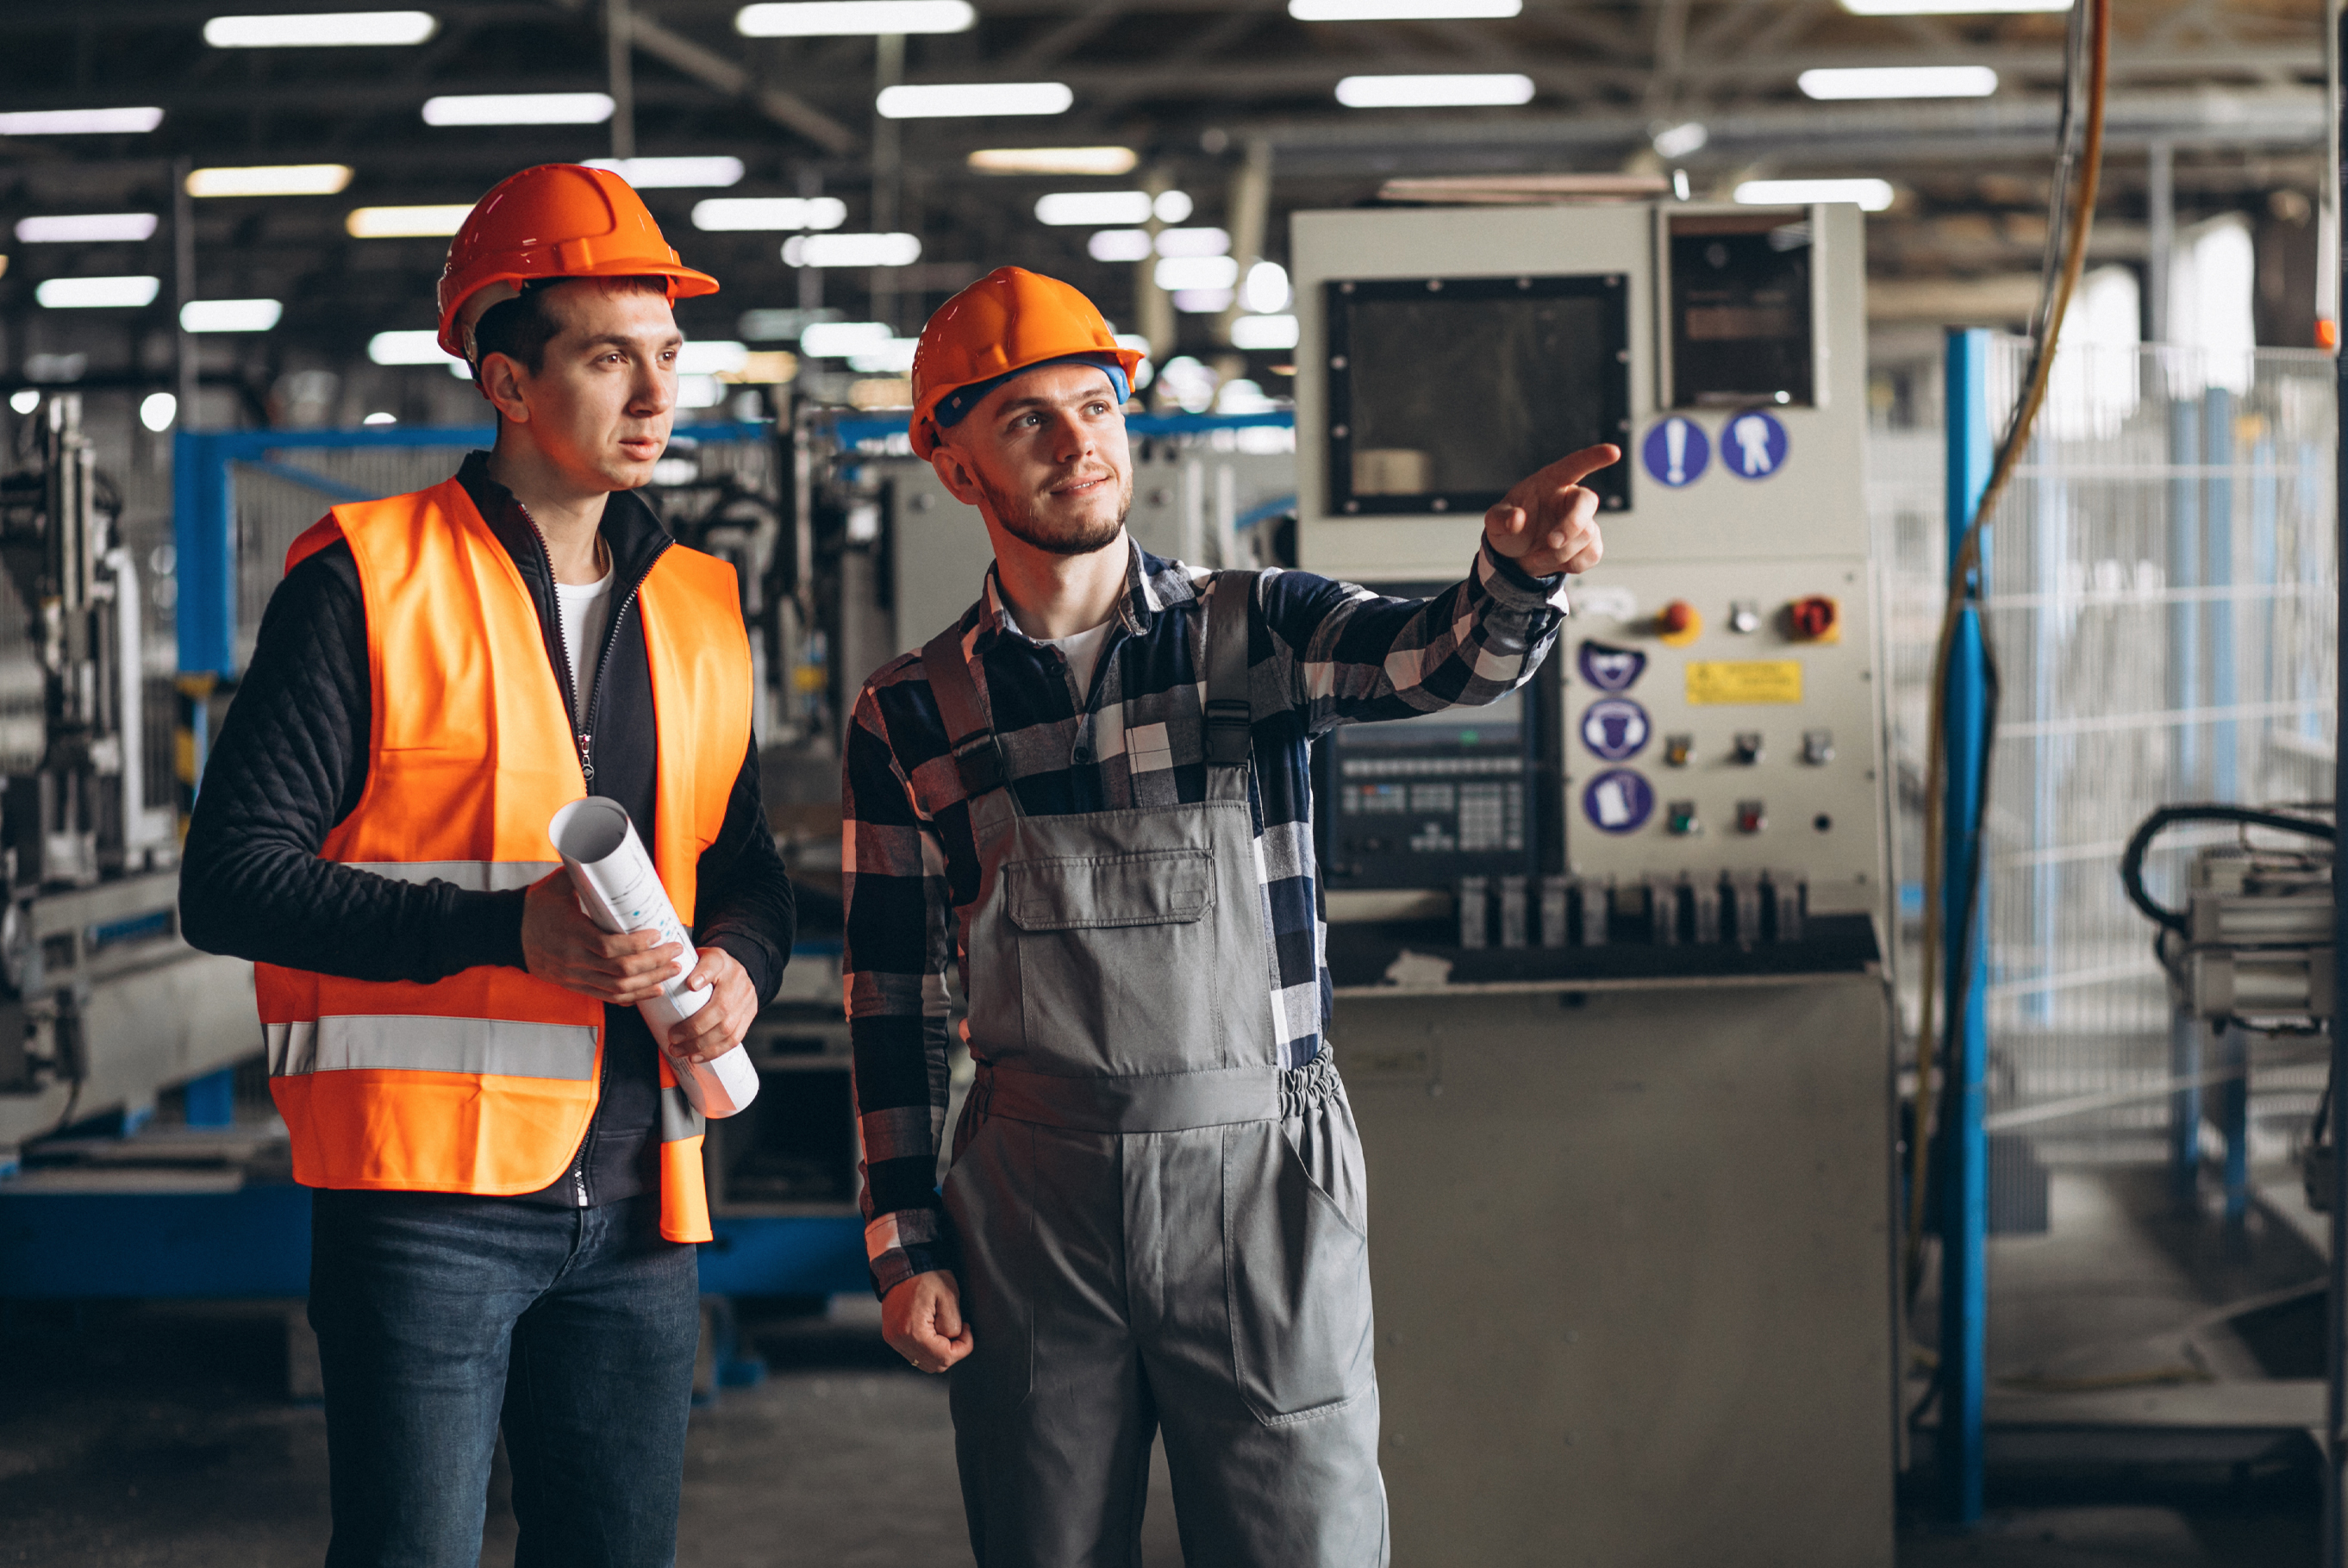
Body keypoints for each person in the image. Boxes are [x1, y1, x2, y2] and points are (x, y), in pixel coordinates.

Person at [842, 265, 1609, 1566]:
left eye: (1096, 404)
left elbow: (1439, 657)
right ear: (955, 463)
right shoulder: (909, 712)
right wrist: (906, 1238)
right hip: (1032, 1199)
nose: (1079, 440)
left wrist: (1516, 577)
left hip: (1260, 1180)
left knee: (1295, 1538)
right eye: (1029, 418)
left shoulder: (1255, 635)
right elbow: (890, 997)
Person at [179, 163, 795, 1566]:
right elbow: (230, 878)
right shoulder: (364, 584)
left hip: (646, 1196)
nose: (655, 396)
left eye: (667, 358)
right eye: (608, 359)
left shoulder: (700, 604)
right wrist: (505, 934)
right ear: (509, 382)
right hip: (424, 1205)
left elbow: (747, 865)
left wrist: (740, 971)